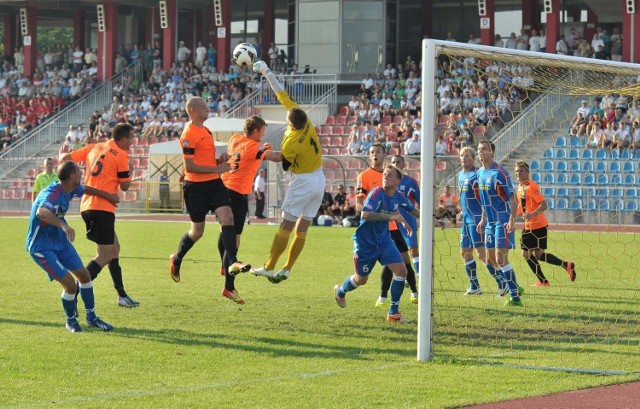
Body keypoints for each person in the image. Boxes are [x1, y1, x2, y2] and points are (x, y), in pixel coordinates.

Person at [249, 61, 325, 283]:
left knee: (286, 224)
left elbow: (286, 164)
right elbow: (280, 91)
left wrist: (263, 153)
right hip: (319, 178)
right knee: (303, 227)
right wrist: (266, 72)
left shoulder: (291, 141)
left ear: (290, 124)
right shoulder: (306, 120)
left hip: (303, 181)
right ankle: (287, 268)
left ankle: (269, 267)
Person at [168, 97, 251, 289]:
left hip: (214, 183)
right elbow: (189, 166)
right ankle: (177, 258)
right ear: (194, 111)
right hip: (195, 188)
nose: (209, 109)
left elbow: (203, 161)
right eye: (205, 107)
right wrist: (218, 168)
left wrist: (217, 162)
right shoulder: (188, 134)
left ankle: (233, 262)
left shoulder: (206, 130)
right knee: (197, 232)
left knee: (227, 216)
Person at [26, 160, 118, 332]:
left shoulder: (70, 187)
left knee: (84, 275)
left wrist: (108, 196)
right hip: (41, 247)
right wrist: (64, 226)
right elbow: (41, 212)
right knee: (70, 285)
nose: (81, 173)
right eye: (78, 171)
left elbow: (86, 189)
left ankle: (91, 317)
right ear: (71, 176)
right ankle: (71, 321)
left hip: (59, 241)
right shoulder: (52, 193)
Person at [60, 123, 140, 308]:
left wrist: (60, 155)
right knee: (104, 255)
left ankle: (121, 295)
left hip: (87, 205)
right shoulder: (121, 155)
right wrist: (130, 172)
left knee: (114, 248)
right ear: (122, 139)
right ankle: (73, 291)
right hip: (102, 208)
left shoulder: (94, 147)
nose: (133, 141)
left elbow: (66, 158)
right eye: (131, 138)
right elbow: (125, 186)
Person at [334, 164, 420, 323]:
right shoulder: (377, 192)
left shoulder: (398, 196)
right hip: (365, 244)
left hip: (384, 242)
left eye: (390, 175)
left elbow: (412, 210)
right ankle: (340, 291)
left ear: (398, 181)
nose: (385, 177)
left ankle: (393, 314)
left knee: (402, 271)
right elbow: (365, 214)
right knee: (361, 280)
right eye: (384, 175)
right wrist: (391, 218)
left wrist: (434, 218)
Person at [218, 116, 283, 303]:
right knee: (234, 239)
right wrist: (297, 153)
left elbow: (247, 153)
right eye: (262, 131)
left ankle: (224, 267)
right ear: (255, 130)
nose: (263, 135)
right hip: (237, 193)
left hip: (224, 188)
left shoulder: (235, 139)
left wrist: (263, 148)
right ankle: (229, 286)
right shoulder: (255, 147)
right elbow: (277, 157)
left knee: (225, 233)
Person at [356, 143, 419, 307]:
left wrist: (403, 220)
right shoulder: (366, 177)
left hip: (390, 230)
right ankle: (380, 296)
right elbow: (360, 208)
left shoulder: (391, 178)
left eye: (378, 151)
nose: (375, 154)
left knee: (403, 263)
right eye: (371, 152)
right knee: (363, 278)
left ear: (385, 154)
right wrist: (389, 216)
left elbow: (397, 206)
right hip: (371, 232)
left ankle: (409, 296)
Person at [476, 140, 523, 306]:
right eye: (479, 149)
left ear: (492, 152)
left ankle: (515, 297)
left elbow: (513, 198)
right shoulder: (480, 173)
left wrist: (512, 220)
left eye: (484, 149)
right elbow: (485, 200)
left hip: (503, 220)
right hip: (490, 222)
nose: (480, 152)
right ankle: (513, 285)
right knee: (489, 259)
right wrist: (483, 219)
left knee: (500, 258)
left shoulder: (500, 173)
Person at [514, 161, 576, 286]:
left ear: (527, 172)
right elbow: (522, 205)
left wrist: (531, 214)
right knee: (538, 254)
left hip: (535, 225)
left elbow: (544, 205)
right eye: (516, 171)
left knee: (526, 254)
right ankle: (566, 265)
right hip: (536, 225)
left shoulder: (532, 186)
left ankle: (543, 281)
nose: (518, 173)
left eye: (521, 171)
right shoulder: (520, 187)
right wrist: (512, 216)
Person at [457, 147, 507, 295]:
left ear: (473, 158)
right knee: (465, 251)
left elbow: (484, 197)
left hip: (476, 218)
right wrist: (461, 211)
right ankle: (475, 286)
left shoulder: (477, 175)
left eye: (467, 156)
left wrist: (484, 217)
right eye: (461, 155)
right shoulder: (460, 175)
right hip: (466, 218)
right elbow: (464, 197)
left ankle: (502, 283)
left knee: (482, 254)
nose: (464, 158)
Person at [389, 155, 421, 275]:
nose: (396, 164)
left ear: (404, 165)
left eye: (398, 162)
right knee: (398, 252)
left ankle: (419, 275)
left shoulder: (410, 182)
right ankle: (406, 276)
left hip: (409, 221)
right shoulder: (387, 181)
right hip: (393, 223)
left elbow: (420, 200)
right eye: (393, 162)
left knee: (413, 249)